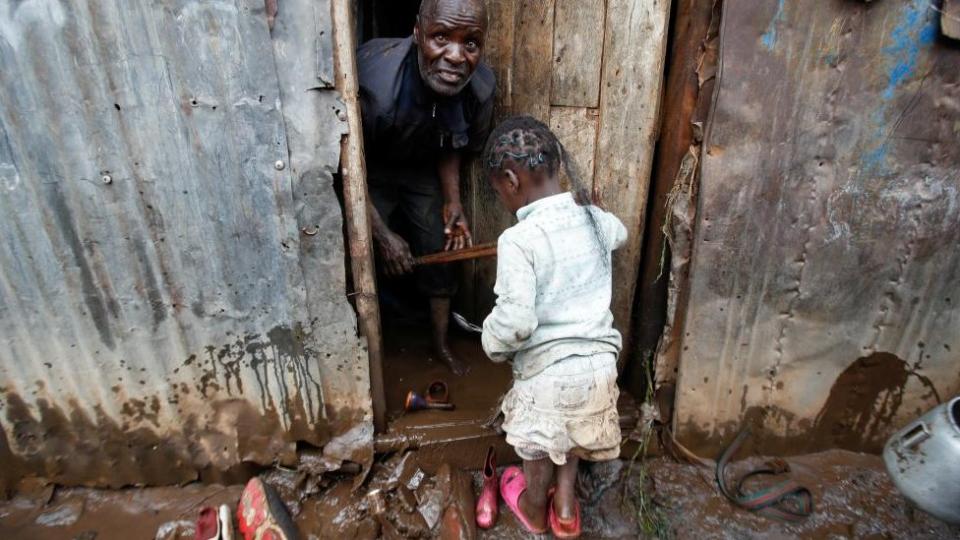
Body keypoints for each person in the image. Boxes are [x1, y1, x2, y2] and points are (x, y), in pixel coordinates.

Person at [480, 116, 627, 538]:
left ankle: (532, 506)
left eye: (497, 191)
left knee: (541, 444)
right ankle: (565, 509)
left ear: (509, 180)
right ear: (557, 167)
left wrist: (490, 341)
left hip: (548, 375)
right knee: (576, 433)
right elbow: (621, 232)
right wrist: (594, 211)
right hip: (599, 368)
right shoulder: (596, 220)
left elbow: (517, 322)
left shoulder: (519, 240)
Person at [356, 0, 494, 376]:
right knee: (361, 254)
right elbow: (345, 164)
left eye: (471, 44)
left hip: (421, 169)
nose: (455, 56)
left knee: (440, 247)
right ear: (417, 33)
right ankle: (366, 353)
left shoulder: (478, 89)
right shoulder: (374, 83)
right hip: (368, 170)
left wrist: (453, 201)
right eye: (440, 38)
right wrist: (381, 233)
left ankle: (440, 344)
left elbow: (453, 139)